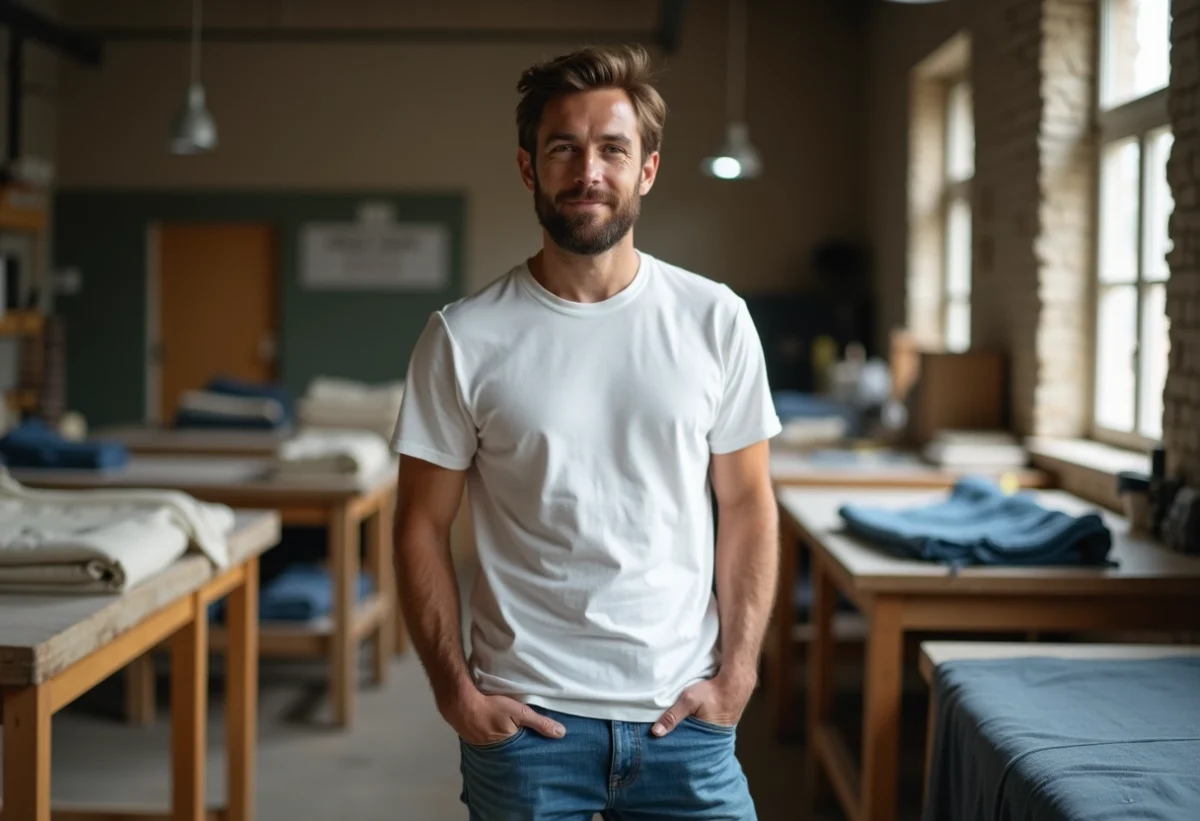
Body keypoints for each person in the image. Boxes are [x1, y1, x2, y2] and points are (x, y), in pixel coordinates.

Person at [390, 43, 782, 820]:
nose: (588, 171)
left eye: (612, 148)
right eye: (563, 148)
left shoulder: (715, 320)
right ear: (529, 167)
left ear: (648, 170)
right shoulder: (464, 336)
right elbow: (419, 526)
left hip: (683, 716)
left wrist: (737, 673)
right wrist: (456, 695)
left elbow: (747, 504)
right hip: (528, 722)